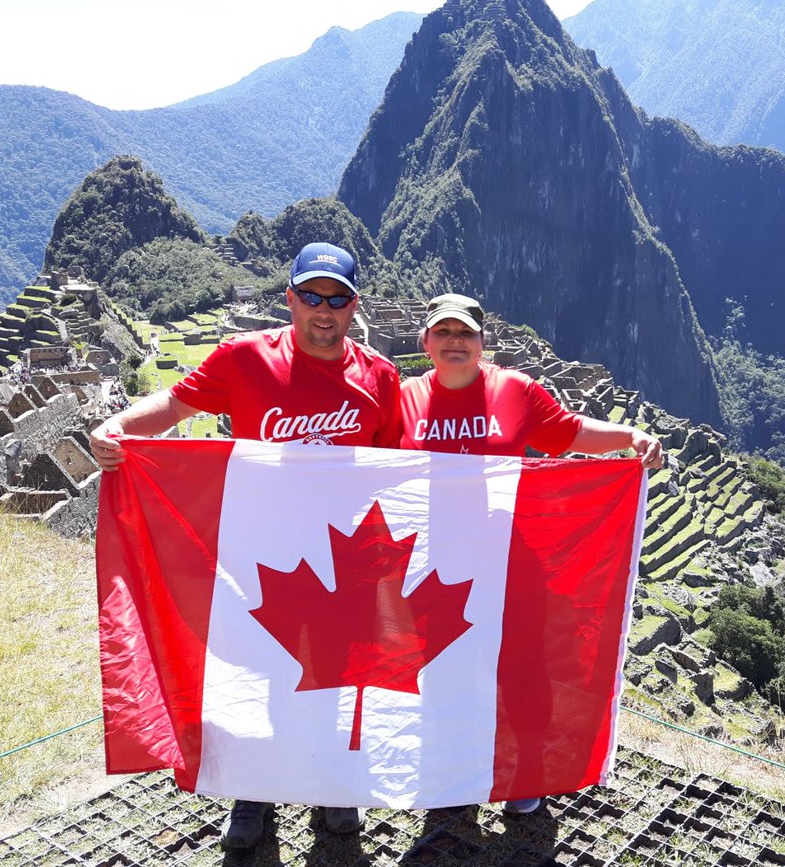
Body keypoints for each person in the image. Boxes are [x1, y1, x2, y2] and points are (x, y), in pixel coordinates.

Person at [90, 241, 401, 849]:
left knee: (336, 680)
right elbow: (176, 406)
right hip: (264, 554)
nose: (323, 310)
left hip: (345, 563)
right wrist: (118, 427)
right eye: (311, 295)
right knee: (260, 677)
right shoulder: (244, 360)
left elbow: (398, 469)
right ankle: (253, 797)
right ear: (289, 298)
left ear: (354, 307)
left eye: (337, 299)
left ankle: (333, 789)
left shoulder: (379, 378)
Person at [399, 292, 663, 815]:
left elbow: (570, 431)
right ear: (425, 341)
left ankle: (526, 774)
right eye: (444, 332)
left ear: (482, 341)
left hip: (508, 562)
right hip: (430, 566)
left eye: (465, 333)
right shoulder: (402, 400)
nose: (455, 342)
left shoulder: (513, 391)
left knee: (522, 670)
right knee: (443, 670)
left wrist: (630, 436)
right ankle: (453, 773)